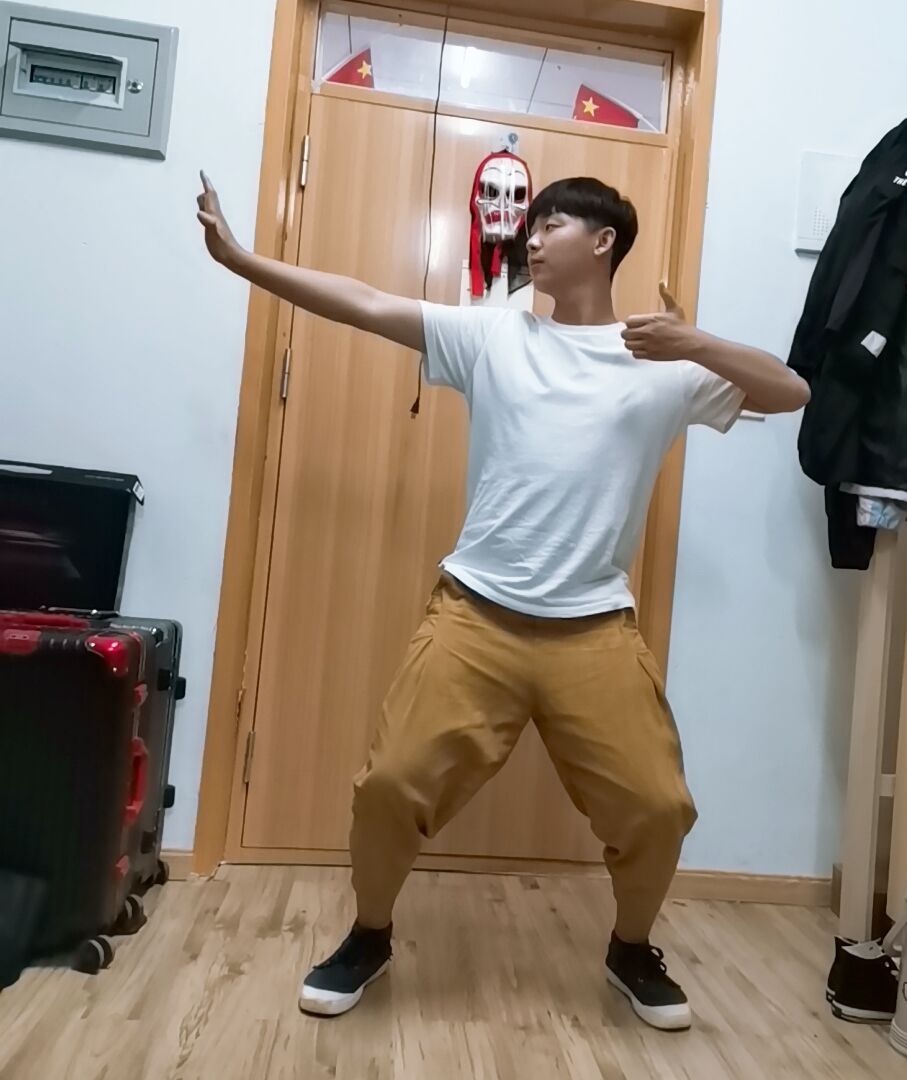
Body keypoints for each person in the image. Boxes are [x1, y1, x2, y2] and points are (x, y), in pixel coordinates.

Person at [196, 171, 809, 1031]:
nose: (532, 235)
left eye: (551, 222)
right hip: (474, 615)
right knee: (390, 786)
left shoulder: (666, 366)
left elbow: (791, 392)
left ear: (603, 241)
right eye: (532, 223)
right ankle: (369, 935)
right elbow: (364, 302)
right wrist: (242, 261)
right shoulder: (493, 336)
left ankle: (632, 949)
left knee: (659, 808)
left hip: (594, 632)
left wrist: (694, 341)